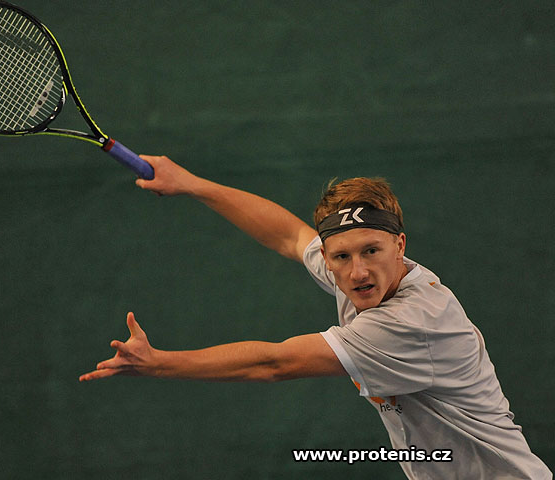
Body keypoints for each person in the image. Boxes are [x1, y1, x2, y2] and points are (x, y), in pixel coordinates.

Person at [80, 156, 552, 479]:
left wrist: (159, 363)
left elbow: (275, 363)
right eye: (341, 256)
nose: (358, 271)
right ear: (328, 257)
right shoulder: (357, 275)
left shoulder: (412, 321)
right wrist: (191, 183)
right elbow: (289, 234)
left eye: (372, 251)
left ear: (400, 246)